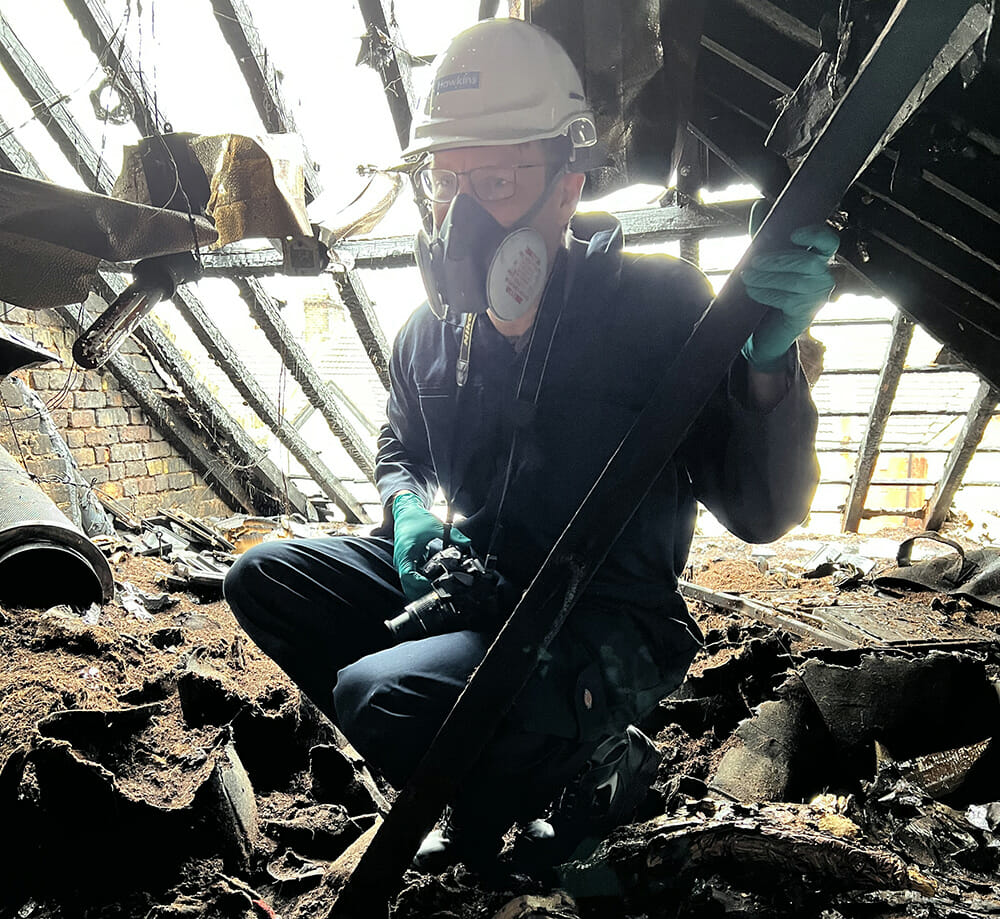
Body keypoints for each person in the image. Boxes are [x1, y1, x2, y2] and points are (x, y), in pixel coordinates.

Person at [224, 17, 836, 872]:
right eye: (446, 181)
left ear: (567, 185)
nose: (463, 215)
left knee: (378, 696)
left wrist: (768, 367)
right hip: (485, 583)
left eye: (498, 180)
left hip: (608, 620)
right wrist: (407, 513)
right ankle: (486, 771)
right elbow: (401, 444)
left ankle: (576, 769)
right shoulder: (427, 334)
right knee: (264, 577)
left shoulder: (661, 307)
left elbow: (762, 511)